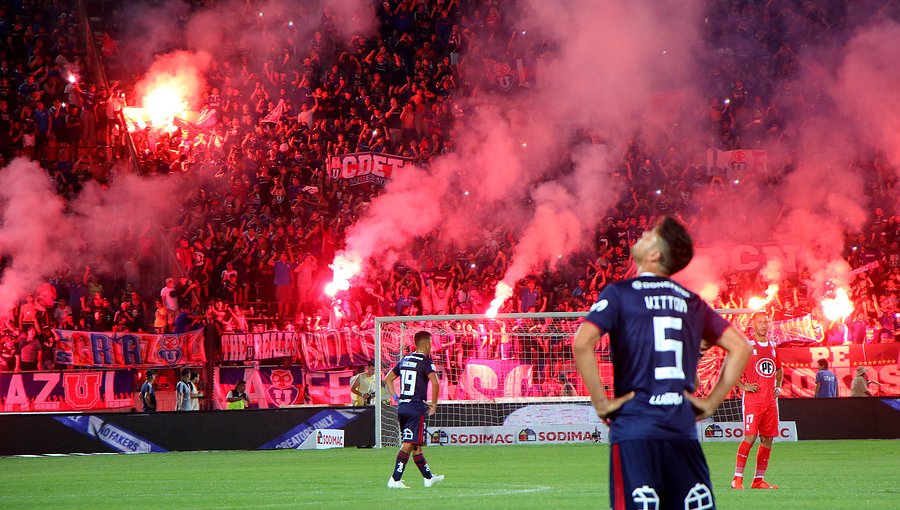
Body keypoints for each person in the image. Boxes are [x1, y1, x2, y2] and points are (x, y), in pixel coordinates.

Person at [573, 216, 751, 510]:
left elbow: (582, 342)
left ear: (655, 255)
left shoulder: (621, 293)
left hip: (635, 429)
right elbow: (740, 347)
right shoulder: (691, 301)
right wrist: (711, 403)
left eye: (650, 234)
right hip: (681, 428)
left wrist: (602, 404)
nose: (642, 234)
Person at [383, 331, 444, 489]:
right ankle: (395, 479)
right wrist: (434, 404)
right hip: (416, 407)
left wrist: (396, 398)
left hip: (403, 406)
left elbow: (388, 379)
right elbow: (435, 383)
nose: (432, 346)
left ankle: (428, 478)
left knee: (416, 445)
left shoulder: (405, 359)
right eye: (431, 343)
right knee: (409, 443)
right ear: (426, 344)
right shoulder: (425, 361)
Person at [732, 311, 783, 490]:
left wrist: (778, 386)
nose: (763, 325)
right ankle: (737, 478)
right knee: (751, 437)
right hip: (753, 401)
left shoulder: (772, 346)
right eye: (760, 322)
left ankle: (758, 480)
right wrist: (743, 386)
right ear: (753, 324)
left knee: (768, 439)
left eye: (766, 322)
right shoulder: (746, 345)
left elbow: (778, 370)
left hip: (770, 401)